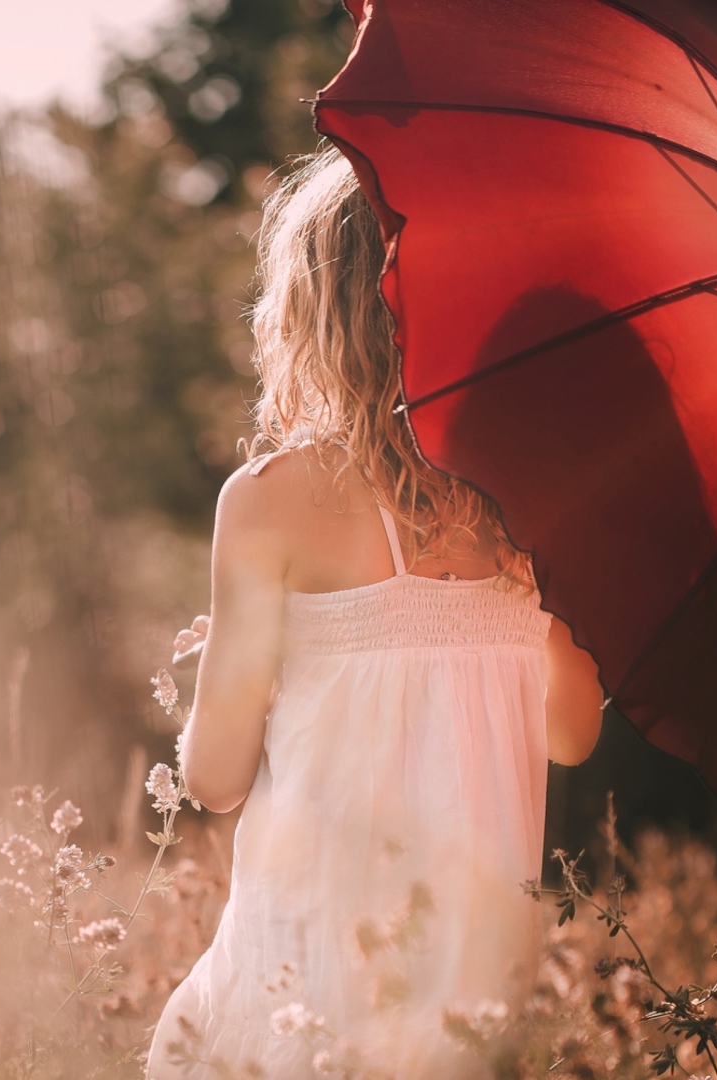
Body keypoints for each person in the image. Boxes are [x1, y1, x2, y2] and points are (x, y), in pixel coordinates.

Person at [146, 147, 606, 1079]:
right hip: (467, 995)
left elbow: (216, 776)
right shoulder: (536, 503)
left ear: (313, 313)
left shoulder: (271, 500)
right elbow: (571, 736)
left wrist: (224, 680)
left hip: (303, 973)